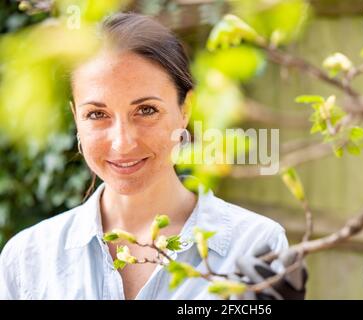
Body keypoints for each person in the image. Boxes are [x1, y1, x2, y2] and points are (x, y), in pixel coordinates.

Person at [0, 12, 291, 300]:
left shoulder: (257, 246)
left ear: (185, 109)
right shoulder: (27, 259)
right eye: (97, 114)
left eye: (146, 110)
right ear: (76, 118)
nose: (122, 143)